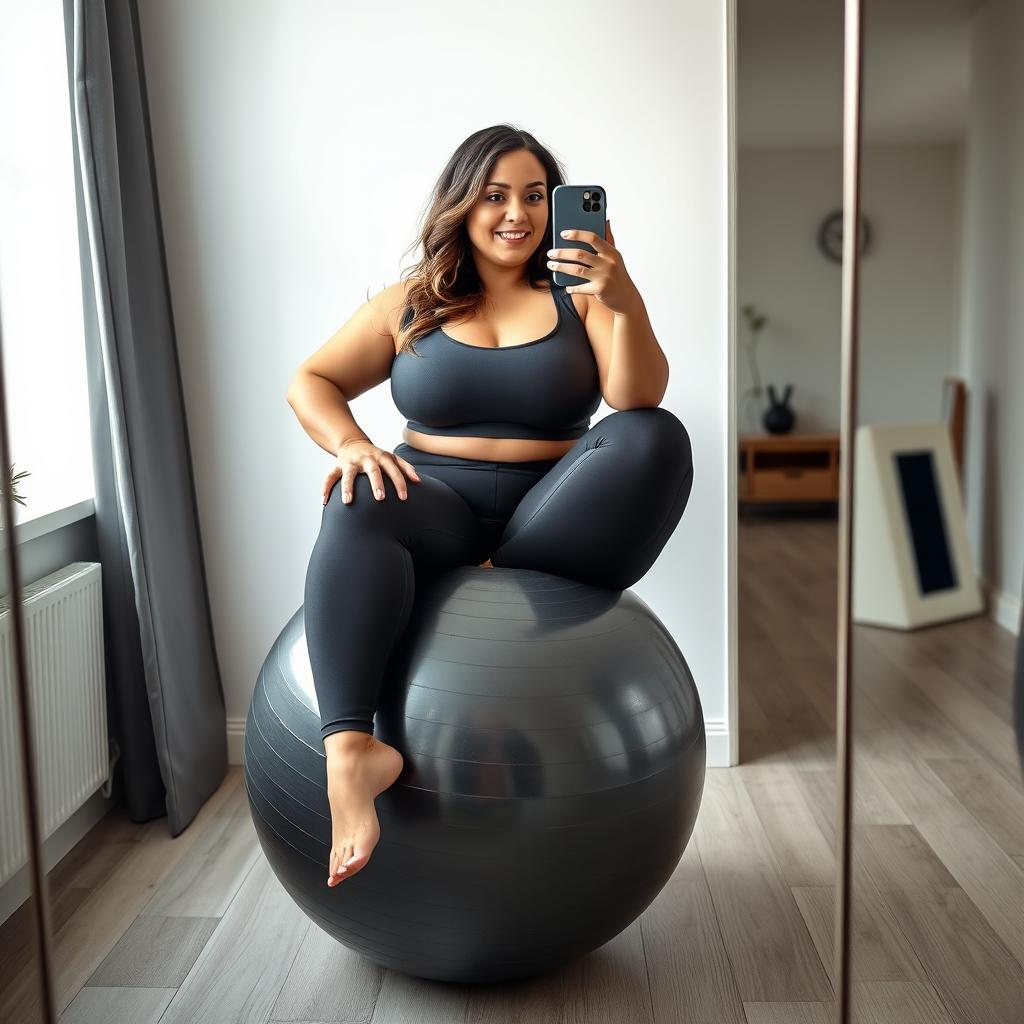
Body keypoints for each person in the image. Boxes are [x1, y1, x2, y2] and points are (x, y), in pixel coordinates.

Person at [286, 124, 694, 889]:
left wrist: (625, 298)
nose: (518, 213)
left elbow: (635, 400)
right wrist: (349, 445)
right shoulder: (411, 303)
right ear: (463, 204)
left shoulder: (583, 293)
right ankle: (350, 754)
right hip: (435, 507)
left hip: (552, 521)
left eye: (536, 196)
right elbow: (311, 380)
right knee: (355, 499)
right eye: (496, 194)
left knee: (656, 437)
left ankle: (496, 572)